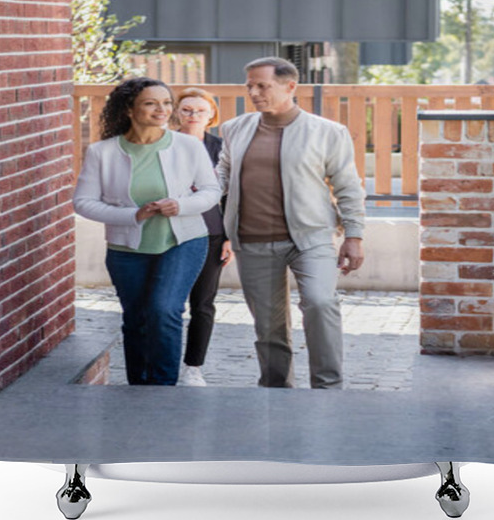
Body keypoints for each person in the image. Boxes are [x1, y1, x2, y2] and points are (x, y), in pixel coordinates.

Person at [216, 57, 365, 389]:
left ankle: (327, 388)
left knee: (320, 302)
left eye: (262, 86)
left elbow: (348, 187)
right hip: (252, 240)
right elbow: (221, 176)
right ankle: (276, 388)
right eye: (250, 86)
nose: (254, 92)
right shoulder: (234, 128)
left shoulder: (327, 132)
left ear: (290, 86)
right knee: (268, 326)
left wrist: (354, 235)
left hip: (309, 238)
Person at [73, 77, 221, 386]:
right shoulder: (102, 152)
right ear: (129, 108)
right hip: (126, 249)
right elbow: (84, 203)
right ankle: (138, 389)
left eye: (167, 103)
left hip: (183, 240)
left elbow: (210, 191)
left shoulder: (188, 145)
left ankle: (163, 392)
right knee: (136, 319)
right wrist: (133, 214)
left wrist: (180, 205)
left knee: (164, 310)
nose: (163, 109)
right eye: (152, 103)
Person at [172, 87, 234, 387]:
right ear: (176, 113)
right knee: (168, 303)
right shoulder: (163, 144)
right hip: (170, 232)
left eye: (200, 110)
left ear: (212, 115)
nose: (193, 115)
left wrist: (229, 236)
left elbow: (235, 195)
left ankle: (193, 367)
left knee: (203, 304)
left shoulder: (222, 149)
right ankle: (163, 362)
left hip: (211, 234)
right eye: (186, 109)